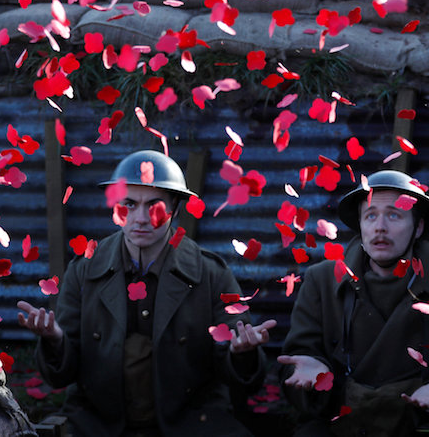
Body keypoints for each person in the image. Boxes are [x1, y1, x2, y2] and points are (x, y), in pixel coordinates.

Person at [17, 149, 276, 436]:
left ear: (175, 208)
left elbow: (242, 378)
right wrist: (56, 340)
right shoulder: (85, 270)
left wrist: (241, 353)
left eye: (154, 206)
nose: (140, 218)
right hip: (99, 423)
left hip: (191, 422)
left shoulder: (210, 273)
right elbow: (60, 376)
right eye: (128, 204)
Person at [278, 170, 429, 435]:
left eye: (395, 215)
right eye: (370, 215)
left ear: (418, 226)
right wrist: (311, 368)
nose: (380, 227)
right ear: (361, 225)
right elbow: (294, 367)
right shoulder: (321, 281)